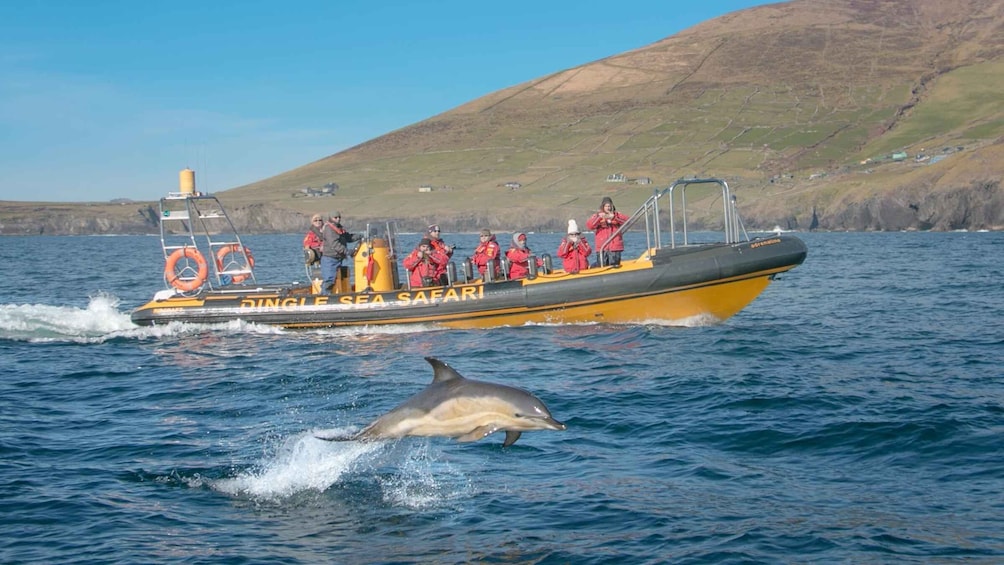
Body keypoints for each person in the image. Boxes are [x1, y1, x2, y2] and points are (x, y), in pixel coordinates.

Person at [319, 211, 361, 295]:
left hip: (338, 258)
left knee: (334, 279)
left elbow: (348, 237)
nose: (338, 219)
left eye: (339, 217)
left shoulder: (339, 228)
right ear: (331, 218)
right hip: (330, 258)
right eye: (335, 217)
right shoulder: (329, 229)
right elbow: (334, 244)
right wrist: (347, 252)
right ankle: (323, 297)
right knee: (329, 281)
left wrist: (360, 236)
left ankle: (328, 295)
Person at [586, 196, 629, 267]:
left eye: (609, 206)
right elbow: (590, 225)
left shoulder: (617, 215)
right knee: (601, 265)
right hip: (602, 247)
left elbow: (627, 221)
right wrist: (599, 218)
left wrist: (614, 217)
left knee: (614, 266)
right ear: (603, 207)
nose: (608, 208)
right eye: (606, 206)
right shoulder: (597, 216)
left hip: (614, 247)